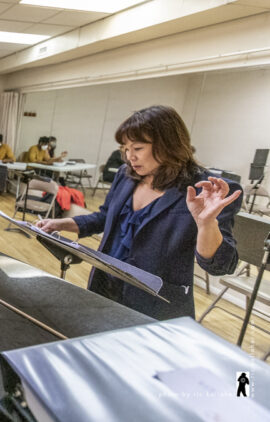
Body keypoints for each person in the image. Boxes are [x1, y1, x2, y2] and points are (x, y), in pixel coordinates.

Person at [36, 105, 242, 320]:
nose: (129, 156)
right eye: (125, 148)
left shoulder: (206, 188)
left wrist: (206, 224)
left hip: (154, 305)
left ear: (167, 144)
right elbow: (105, 218)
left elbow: (222, 265)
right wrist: (61, 223)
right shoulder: (126, 175)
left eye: (138, 148)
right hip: (105, 287)